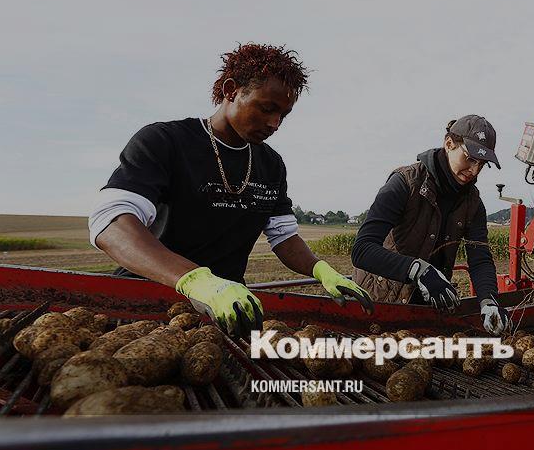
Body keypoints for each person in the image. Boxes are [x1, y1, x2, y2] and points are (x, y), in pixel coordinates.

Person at [89, 43, 373, 336]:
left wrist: (321, 270)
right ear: (231, 90)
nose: (275, 123)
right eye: (267, 108)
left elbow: (284, 236)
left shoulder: (271, 164)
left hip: (227, 308)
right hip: (145, 304)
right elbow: (111, 225)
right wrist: (196, 281)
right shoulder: (165, 141)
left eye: (283, 115)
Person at [351, 115, 510, 335]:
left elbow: (480, 259)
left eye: (482, 164)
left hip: (428, 309)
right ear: (449, 144)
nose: (474, 171)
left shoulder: (473, 203)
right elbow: (362, 250)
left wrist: (488, 300)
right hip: (379, 305)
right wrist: (418, 270)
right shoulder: (405, 183)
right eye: (470, 158)